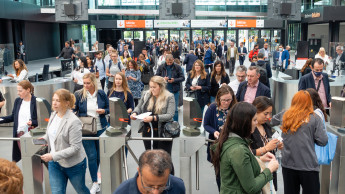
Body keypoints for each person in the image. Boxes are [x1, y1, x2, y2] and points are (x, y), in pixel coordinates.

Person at [211, 102, 279, 193]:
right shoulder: (238, 150)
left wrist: (259, 159)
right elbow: (251, 187)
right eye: (254, 120)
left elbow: (240, 166)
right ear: (244, 122)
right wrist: (269, 170)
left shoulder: (230, 140)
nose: (256, 123)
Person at [41, 89, 89, 194]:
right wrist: (45, 139)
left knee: (81, 190)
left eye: (58, 100)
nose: (54, 103)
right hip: (55, 164)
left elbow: (75, 148)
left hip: (73, 164)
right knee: (57, 192)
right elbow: (52, 132)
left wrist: (53, 156)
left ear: (67, 103)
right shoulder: (53, 114)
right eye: (53, 100)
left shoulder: (74, 121)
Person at [280, 91, 328, 194]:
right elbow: (323, 141)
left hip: (288, 163)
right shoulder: (315, 118)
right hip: (308, 165)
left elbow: (270, 120)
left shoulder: (285, 115)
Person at [74, 73, 109, 194]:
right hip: (86, 129)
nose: (86, 85)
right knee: (92, 156)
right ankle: (95, 182)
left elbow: (110, 108)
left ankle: (96, 175)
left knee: (99, 156)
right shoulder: (79, 95)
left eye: (88, 83)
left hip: (101, 128)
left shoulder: (101, 94)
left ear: (94, 82)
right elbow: (74, 110)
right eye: (84, 83)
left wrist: (104, 110)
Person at [130, 76, 175, 156]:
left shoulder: (169, 97)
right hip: (147, 131)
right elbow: (139, 106)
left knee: (163, 158)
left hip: (162, 132)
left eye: (154, 87)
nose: (151, 89)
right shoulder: (146, 94)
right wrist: (135, 113)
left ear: (161, 87)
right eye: (150, 87)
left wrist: (154, 118)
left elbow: (170, 115)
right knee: (150, 156)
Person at [204, 85, 237, 191]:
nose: (226, 102)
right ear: (218, 98)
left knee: (232, 173)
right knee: (219, 173)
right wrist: (214, 132)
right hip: (217, 145)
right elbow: (206, 124)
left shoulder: (235, 108)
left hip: (232, 145)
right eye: (224, 100)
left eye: (229, 100)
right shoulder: (212, 108)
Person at [113, 150, 185, 194]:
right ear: (139, 172)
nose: (155, 192)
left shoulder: (178, 186)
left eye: (162, 186)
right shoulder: (122, 192)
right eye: (150, 186)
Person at [251, 96, 283, 191]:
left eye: (269, 113)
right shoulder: (249, 129)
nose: (268, 117)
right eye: (265, 114)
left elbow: (271, 141)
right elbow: (247, 154)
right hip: (257, 172)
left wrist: (278, 145)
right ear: (256, 111)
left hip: (270, 169)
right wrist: (266, 148)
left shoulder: (267, 126)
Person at [0, 80, 37, 162]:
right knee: (25, 159)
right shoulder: (18, 101)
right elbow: (13, 117)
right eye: (17, 91)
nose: (18, 93)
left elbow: (42, 120)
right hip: (19, 135)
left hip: (31, 135)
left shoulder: (36, 101)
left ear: (28, 90)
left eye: (20, 91)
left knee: (33, 159)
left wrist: (33, 122)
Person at [155, 54, 185, 121]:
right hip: (164, 91)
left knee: (175, 109)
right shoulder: (161, 67)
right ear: (165, 60)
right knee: (163, 108)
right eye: (168, 62)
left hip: (174, 91)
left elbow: (182, 78)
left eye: (170, 62)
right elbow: (156, 77)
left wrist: (174, 80)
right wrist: (163, 79)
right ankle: (165, 123)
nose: (169, 64)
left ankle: (175, 124)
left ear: (173, 60)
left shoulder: (177, 67)